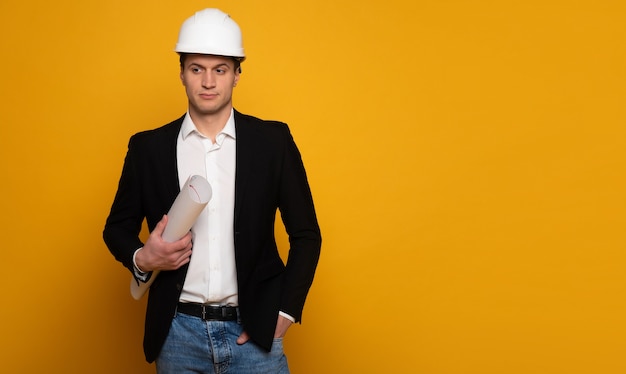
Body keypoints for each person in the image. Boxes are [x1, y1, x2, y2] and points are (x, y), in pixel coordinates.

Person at [103, 8, 321, 373]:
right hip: (177, 335)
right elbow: (116, 229)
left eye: (219, 69)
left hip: (254, 333)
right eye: (196, 69)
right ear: (182, 74)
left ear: (237, 75)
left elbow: (306, 234)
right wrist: (144, 259)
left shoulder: (272, 142)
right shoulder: (149, 148)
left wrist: (285, 311)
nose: (208, 82)